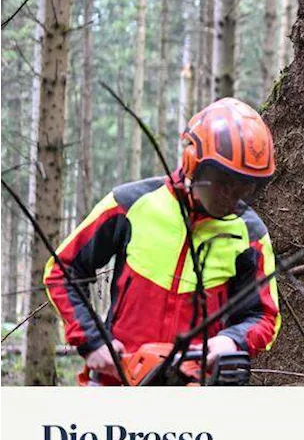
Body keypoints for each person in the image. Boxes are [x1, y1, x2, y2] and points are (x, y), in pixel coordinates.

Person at [44, 98, 282, 385]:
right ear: (192, 162)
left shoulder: (250, 234)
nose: (229, 196)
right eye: (222, 181)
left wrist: (232, 340)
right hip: (119, 377)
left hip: (194, 385)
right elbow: (61, 269)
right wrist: (92, 340)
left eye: (243, 186)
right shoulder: (131, 204)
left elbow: (263, 315)